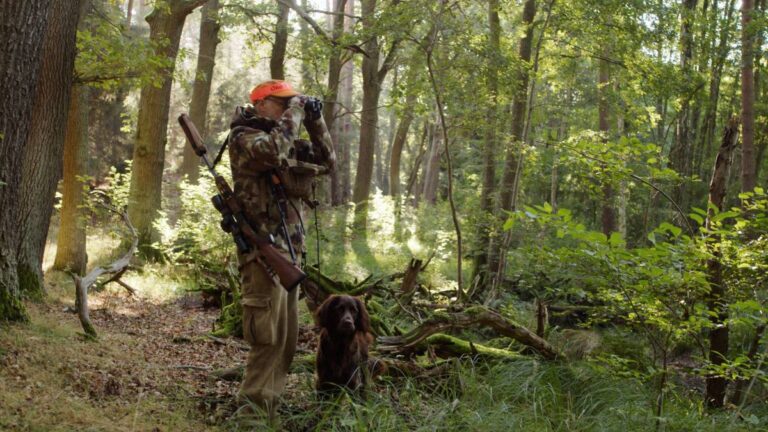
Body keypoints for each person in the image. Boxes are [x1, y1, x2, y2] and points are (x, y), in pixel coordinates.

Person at [227, 79, 335, 418]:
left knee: (286, 342)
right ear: (261, 104)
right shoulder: (245, 138)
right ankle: (250, 417)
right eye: (282, 102)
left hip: (290, 253)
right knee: (267, 338)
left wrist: (316, 120)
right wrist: (298, 111)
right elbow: (273, 151)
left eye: (292, 102)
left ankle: (267, 414)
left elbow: (327, 161)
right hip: (262, 254)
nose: (289, 108)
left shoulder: (286, 136)